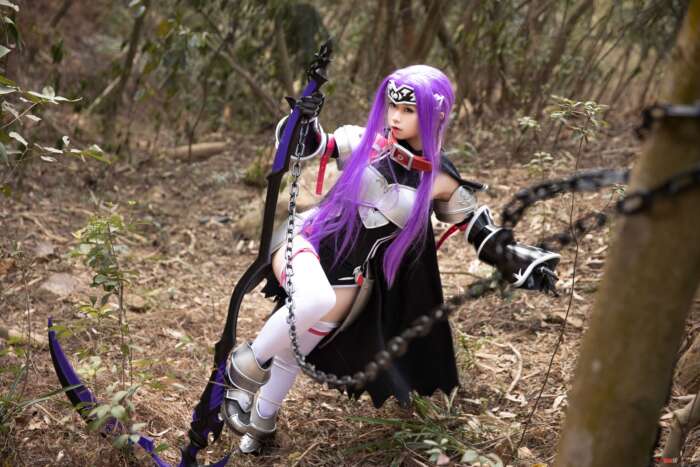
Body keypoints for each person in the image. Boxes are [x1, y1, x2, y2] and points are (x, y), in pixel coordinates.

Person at [221, 65, 559, 451]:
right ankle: (242, 369)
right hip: (307, 242)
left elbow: (476, 227)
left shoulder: (440, 178)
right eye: (392, 106)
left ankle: (260, 424)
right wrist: (305, 121)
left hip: (351, 278)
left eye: (408, 110)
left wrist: (514, 259)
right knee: (314, 299)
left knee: (293, 352)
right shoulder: (365, 142)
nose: (395, 117)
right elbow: (310, 146)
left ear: (435, 115)